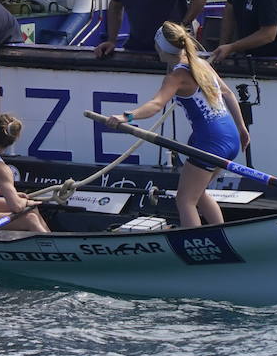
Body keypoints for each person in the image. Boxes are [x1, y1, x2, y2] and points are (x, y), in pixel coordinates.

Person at [107, 22, 251, 227]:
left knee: (185, 199)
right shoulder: (202, 64)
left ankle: (195, 247)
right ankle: (221, 235)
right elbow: (228, 94)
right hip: (231, 138)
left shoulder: (176, 77)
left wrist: (127, 116)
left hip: (211, 142)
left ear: (160, 47)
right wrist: (242, 129)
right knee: (199, 193)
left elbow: (156, 105)